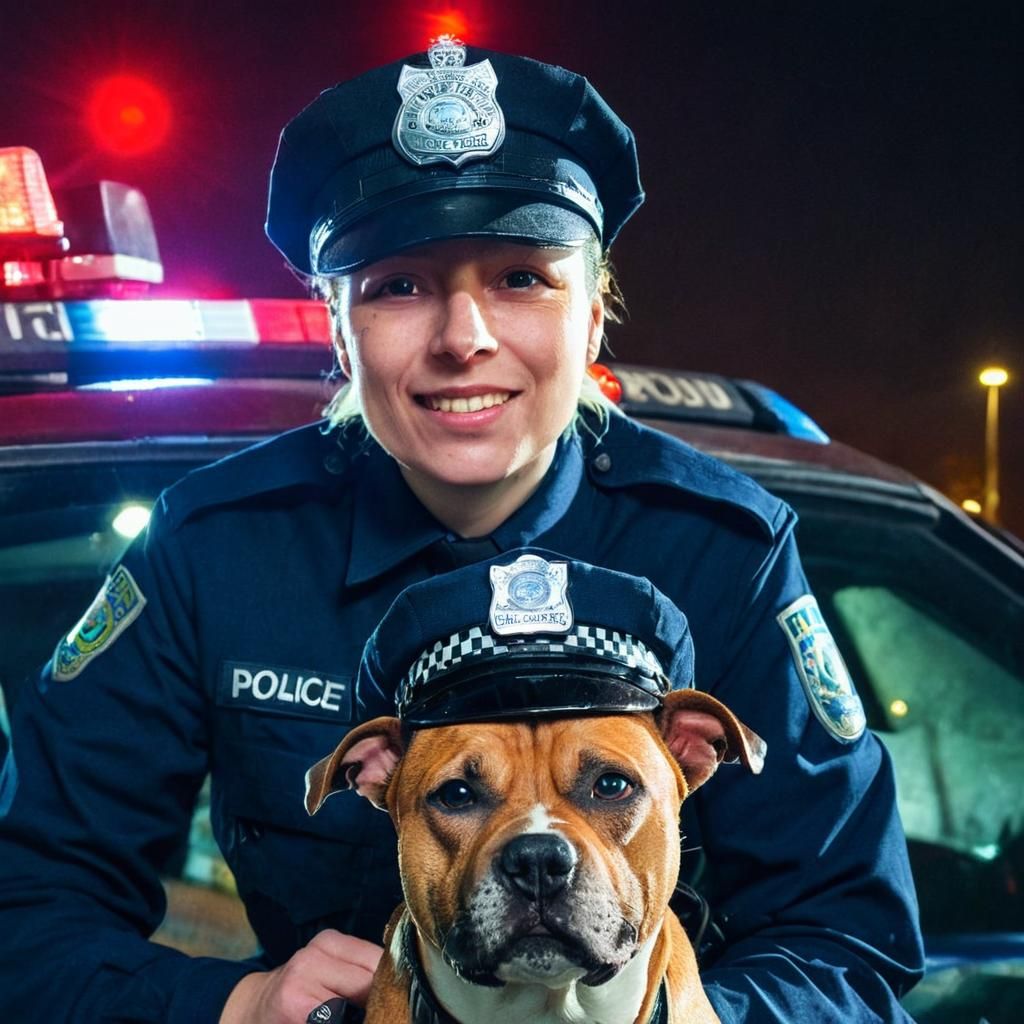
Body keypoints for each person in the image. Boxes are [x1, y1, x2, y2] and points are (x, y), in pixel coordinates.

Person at [0, 38, 923, 1024]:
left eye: (521, 277)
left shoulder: (723, 551)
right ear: (336, 321)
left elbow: (851, 937)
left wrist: (701, 1017)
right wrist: (232, 1004)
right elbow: (28, 914)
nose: (463, 338)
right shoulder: (213, 548)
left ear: (594, 307)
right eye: (399, 284)